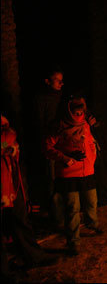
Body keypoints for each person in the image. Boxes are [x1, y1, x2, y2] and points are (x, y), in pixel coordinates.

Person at [1, 115, 59, 281]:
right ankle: (4, 272)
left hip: (10, 180)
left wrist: (10, 145)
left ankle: (33, 256)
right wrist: (7, 144)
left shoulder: (6, 124)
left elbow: (11, 140)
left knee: (20, 218)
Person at [44, 96, 102, 256]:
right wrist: (66, 157)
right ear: (69, 111)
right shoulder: (59, 127)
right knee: (72, 208)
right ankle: (74, 241)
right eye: (76, 112)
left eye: (81, 111)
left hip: (87, 170)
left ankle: (92, 224)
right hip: (68, 172)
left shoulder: (85, 124)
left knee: (92, 200)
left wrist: (92, 158)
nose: (79, 114)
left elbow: (90, 141)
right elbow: (47, 147)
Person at [32, 67, 66, 230]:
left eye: (62, 79)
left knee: (64, 180)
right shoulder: (41, 99)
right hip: (51, 146)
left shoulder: (61, 97)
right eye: (57, 80)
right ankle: (57, 219)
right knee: (52, 183)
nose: (61, 83)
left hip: (64, 145)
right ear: (47, 81)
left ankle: (66, 215)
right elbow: (39, 125)